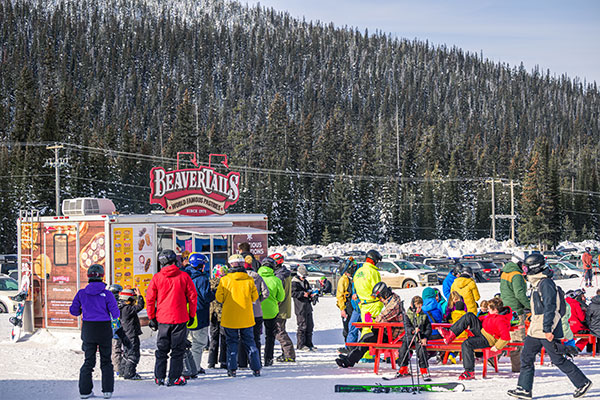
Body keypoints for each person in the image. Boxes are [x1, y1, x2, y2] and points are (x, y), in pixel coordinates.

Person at [507, 253, 592, 399]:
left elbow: (550, 307)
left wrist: (547, 329)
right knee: (526, 357)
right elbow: (539, 306)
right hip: (536, 328)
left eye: (526, 268)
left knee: (558, 359)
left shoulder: (546, 283)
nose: (524, 271)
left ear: (534, 267)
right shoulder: (537, 283)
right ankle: (524, 389)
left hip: (545, 329)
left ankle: (582, 382)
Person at [146, 249, 197, 387]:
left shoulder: (157, 277)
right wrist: (192, 314)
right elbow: (193, 297)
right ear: (175, 260)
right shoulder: (184, 276)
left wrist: (151, 316)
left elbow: (150, 298)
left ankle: (159, 377)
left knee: (162, 349)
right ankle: (174, 377)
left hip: (163, 318)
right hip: (180, 318)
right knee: (177, 350)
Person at [69, 264, 120, 399]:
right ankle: (107, 391)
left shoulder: (81, 293)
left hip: (88, 329)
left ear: (88, 276)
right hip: (104, 329)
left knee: (88, 360)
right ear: (102, 276)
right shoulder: (107, 294)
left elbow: (73, 311)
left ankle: (85, 392)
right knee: (106, 361)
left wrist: (82, 309)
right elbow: (115, 313)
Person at [440, 298, 512, 380]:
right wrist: (473, 321)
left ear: (495, 310)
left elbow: (506, 337)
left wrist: (497, 347)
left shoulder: (501, 320)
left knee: (466, 344)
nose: (488, 311)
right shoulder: (494, 315)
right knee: (469, 315)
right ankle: (450, 335)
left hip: (488, 339)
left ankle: (469, 371)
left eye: (489, 309)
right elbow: (487, 319)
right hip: (483, 332)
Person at [335, 282, 404, 368]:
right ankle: (350, 359)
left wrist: (373, 320)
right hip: (389, 332)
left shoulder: (393, 304)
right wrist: (374, 319)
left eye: (379, 297)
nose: (379, 299)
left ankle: (349, 360)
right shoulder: (392, 299)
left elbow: (383, 317)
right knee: (365, 337)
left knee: (368, 339)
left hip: (393, 336)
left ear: (384, 294)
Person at [216, 254, 261, 377]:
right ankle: (256, 368)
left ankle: (232, 369)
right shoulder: (249, 279)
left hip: (230, 318)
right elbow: (255, 297)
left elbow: (219, 298)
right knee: (250, 343)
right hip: (246, 317)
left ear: (230, 264)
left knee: (231, 343)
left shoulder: (224, 280)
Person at [186, 253, 215, 375]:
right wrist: (214, 293)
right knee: (198, 343)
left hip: (187, 312)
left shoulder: (185, 275)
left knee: (189, 340)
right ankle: (195, 367)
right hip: (200, 313)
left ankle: (188, 366)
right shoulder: (202, 278)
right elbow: (206, 296)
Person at [238, 254, 269, 369]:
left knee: (242, 337)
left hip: (243, 311)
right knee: (255, 338)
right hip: (256, 312)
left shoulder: (240, 277)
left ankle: (242, 362)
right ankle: (256, 362)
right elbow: (266, 293)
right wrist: (258, 300)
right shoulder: (257, 276)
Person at [500, 258, 530, 372]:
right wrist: (529, 306)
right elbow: (519, 294)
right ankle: (518, 367)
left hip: (506, 309)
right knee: (517, 339)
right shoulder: (516, 275)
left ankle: (494, 357)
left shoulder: (505, 273)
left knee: (505, 336)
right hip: (516, 311)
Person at [258, 257, 285, 366]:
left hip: (257, 310)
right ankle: (268, 359)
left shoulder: (256, 277)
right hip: (271, 311)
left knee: (256, 336)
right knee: (270, 336)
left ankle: (256, 358)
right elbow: (281, 297)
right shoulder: (276, 280)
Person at [396, 296, 432, 377]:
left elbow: (428, 328)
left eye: (420, 307)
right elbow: (406, 326)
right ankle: (403, 367)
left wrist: (425, 337)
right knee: (403, 350)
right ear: (412, 306)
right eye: (417, 307)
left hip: (420, 337)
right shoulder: (407, 315)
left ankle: (424, 369)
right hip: (409, 337)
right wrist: (412, 330)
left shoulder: (424, 316)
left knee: (422, 351)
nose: (419, 309)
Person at [271, 253, 296, 362]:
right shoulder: (285, 273)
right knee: (281, 329)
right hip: (284, 307)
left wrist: (275, 306)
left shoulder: (280, 276)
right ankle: (285, 353)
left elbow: (279, 294)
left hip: (280, 308)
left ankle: (289, 354)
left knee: (279, 331)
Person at [354, 250, 384, 333]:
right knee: (372, 329)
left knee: (366, 327)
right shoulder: (373, 272)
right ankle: (367, 345)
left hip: (364, 305)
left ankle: (364, 344)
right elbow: (378, 289)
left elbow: (356, 287)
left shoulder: (358, 272)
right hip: (373, 305)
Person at [118, 288, 145, 380]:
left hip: (125, 335)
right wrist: (140, 296)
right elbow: (140, 306)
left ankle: (122, 371)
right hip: (131, 335)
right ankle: (130, 373)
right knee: (133, 354)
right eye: (133, 300)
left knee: (126, 353)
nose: (135, 302)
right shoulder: (127, 309)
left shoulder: (121, 307)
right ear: (128, 300)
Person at [207, 264, 228, 369]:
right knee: (224, 337)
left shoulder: (209, 282)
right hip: (224, 313)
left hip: (213, 314)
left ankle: (211, 361)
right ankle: (223, 360)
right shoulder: (226, 283)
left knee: (213, 338)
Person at [292, 265, 317, 351]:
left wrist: (311, 295)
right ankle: (301, 345)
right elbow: (293, 293)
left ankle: (309, 343)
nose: (304, 278)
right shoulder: (294, 282)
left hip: (307, 306)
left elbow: (308, 290)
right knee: (302, 326)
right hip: (300, 307)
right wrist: (302, 294)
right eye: (303, 277)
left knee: (310, 325)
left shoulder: (305, 282)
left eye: (305, 277)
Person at [336, 258, 358, 346]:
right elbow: (339, 295)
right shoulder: (343, 280)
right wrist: (342, 309)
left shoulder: (353, 278)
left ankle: (354, 345)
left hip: (354, 304)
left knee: (355, 326)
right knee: (347, 327)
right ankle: (348, 345)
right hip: (347, 305)